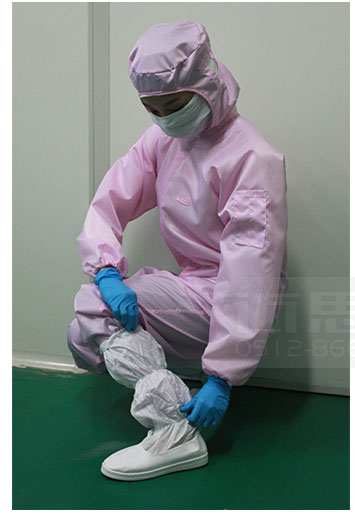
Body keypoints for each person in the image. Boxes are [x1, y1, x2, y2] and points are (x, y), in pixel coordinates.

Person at [67, 21, 288, 481]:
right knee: (89, 319)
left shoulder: (250, 157)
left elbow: (252, 269)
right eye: (153, 108)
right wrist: (105, 268)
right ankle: (176, 410)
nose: (166, 118)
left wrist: (224, 374)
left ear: (207, 83)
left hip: (228, 297)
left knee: (94, 308)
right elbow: (111, 198)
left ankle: (175, 432)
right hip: (192, 286)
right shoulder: (165, 140)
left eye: (175, 105)